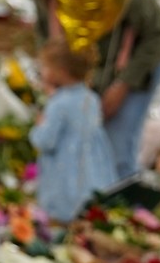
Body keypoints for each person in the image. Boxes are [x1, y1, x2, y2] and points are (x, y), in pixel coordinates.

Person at [26, 0, 160, 181]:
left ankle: (125, 202)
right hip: (85, 77)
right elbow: (45, 38)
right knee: (83, 154)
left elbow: (158, 35)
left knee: (116, 152)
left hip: (136, 66)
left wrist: (122, 86)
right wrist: (51, 80)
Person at [31, 39, 117, 226]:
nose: (42, 71)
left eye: (45, 67)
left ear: (60, 71)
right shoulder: (91, 98)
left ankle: (61, 227)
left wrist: (39, 127)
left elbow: (46, 141)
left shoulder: (58, 103)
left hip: (64, 173)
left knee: (62, 213)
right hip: (91, 169)